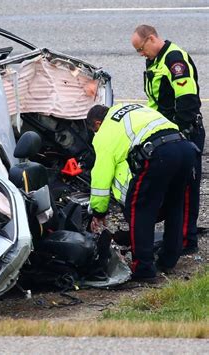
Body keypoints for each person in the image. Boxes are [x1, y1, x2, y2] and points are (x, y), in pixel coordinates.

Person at [87, 103, 197, 281]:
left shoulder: (104, 133)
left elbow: (101, 176)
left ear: (97, 124)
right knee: (174, 206)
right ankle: (169, 260)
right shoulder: (130, 109)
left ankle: (144, 269)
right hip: (184, 147)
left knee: (140, 210)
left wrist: (99, 211)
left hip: (158, 153)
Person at [131, 25, 204, 254]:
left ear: (151, 39)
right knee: (173, 187)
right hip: (167, 132)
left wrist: (180, 134)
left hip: (184, 132)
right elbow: (156, 101)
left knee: (186, 189)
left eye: (141, 49)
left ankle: (186, 240)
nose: (141, 54)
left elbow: (188, 101)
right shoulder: (153, 60)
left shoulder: (174, 59)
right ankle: (177, 238)